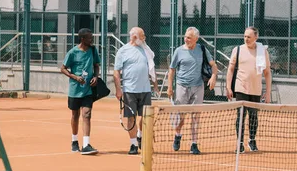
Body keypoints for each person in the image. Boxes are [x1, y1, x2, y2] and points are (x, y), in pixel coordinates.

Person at [167, 27, 218, 155]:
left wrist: (213, 77)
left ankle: (194, 144)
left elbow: (213, 65)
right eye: (185, 37)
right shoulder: (178, 51)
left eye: (189, 37)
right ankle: (178, 135)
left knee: (196, 117)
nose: (186, 39)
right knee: (181, 117)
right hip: (182, 86)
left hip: (198, 87)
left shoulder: (202, 49)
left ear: (196, 39)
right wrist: (169, 87)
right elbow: (172, 69)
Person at [113, 27, 159, 155]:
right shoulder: (123, 51)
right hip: (129, 90)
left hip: (145, 90)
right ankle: (133, 144)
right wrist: (118, 89)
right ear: (134, 37)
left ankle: (140, 135)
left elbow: (151, 68)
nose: (144, 38)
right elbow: (116, 72)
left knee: (145, 117)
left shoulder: (146, 50)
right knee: (130, 118)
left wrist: (155, 85)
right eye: (142, 36)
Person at [226, 27, 272, 153]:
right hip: (241, 88)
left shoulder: (263, 51)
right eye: (245, 36)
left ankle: (252, 140)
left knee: (253, 116)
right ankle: (239, 143)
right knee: (240, 116)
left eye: (249, 37)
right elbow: (230, 69)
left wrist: (268, 92)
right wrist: (228, 87)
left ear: (256, 37)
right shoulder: (238, 50)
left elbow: (267, 73)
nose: (246, 39)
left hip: (256, 90)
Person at [61, 28, 100, 155]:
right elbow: (63, 68)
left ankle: (86, 144)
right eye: (89, 37)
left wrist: (95, 77)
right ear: (82, 39)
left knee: (87, 114)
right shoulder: (73, 52)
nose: (91, 40)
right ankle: (74, 141)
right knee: (75, 115)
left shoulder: (93, 50)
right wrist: (75, 77)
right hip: (75, 89)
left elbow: (96, 65)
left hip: (87, 90)